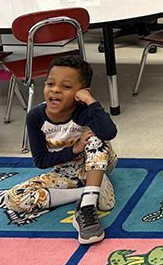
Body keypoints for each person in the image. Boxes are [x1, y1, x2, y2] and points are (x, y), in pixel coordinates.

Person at [6, 55, 117, 245]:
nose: (55, 89)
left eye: (66, 86)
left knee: (95, 138)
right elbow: (41, 161)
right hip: (66, 174)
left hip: (99, 164)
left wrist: (90, 101)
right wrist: (74, 150)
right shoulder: (36, 117)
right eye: (50, 84)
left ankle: (87, 206)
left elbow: (109, 132)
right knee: (14, 198)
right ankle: (90, 191)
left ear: (80, 93)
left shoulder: (83, 112)